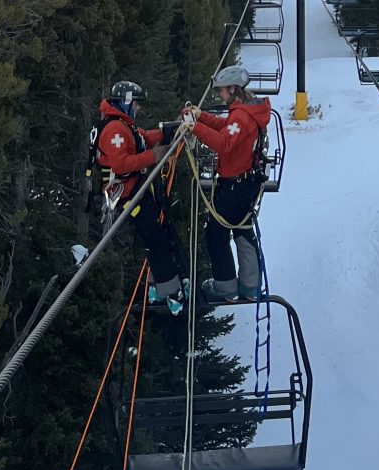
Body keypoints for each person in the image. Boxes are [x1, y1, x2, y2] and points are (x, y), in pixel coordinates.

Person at [94, 80, 189, 314]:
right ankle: (170, 290)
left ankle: (159, 285)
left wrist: (173, 130)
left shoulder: (123, 125)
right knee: (155, 238)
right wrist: (153, 156)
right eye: (136, 104)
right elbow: (122, 163)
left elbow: (144, 137)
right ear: (126, 103)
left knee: (159, 232)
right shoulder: (114, 129)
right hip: (127, 195)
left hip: (134, 189)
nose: (138, 109)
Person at [189, 63, 271, 303]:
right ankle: (250, 285)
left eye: (223, 91)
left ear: (234, 89)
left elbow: (224, 142)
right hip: (246, 182)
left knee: (216, 233)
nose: (220, 95)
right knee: (242, 229)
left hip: (235, 185)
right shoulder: (247, 111)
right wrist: (201, 117)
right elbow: (226, 128)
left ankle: (226, 286)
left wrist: (195, 128)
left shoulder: (242, 116)